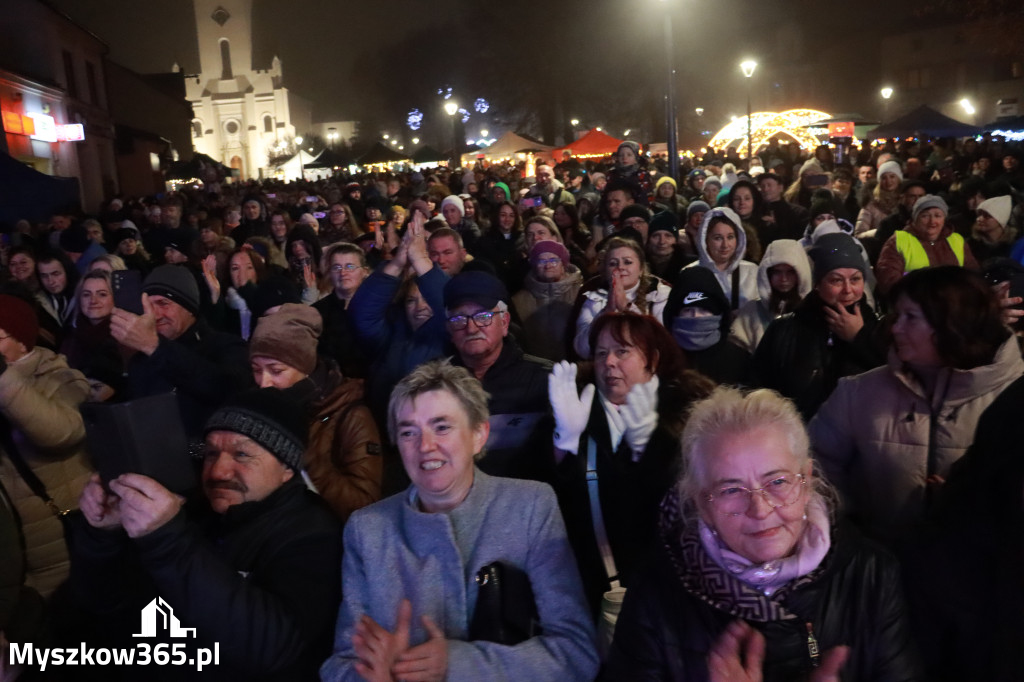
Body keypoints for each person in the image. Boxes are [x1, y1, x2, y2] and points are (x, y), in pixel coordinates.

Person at [606, 386, 921, 681]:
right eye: (731, 489)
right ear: (703, 504)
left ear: (806, 480)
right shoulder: (656, 592)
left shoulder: (871, 574)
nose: (760, 508)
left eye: (778, 482)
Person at [319, 360, 598, 681]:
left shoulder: (530, 506)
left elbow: (576, 653)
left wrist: (461, 664)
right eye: (409, 431)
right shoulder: (368, 528)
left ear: (479, 434)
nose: (425, 446)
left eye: (442, 427)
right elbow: (340, 664)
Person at [70, 388, 342, 681]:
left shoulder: (314, 535)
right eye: (212, 453)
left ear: (287, 467)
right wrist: (103, 537)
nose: (218, 471)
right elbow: (106, 605)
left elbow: (272, 648)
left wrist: (168, 540)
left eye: (242, 454)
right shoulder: (194, 511)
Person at [808, 266, 1023, 546]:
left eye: (910, 317)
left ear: (953, 323)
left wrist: (973, 502)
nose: (895, 327)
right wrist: (849, 531)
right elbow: (816, 465)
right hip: (881, 563)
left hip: (981, 571)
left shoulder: (1014, 395)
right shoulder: (859, 391)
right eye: (897, 316)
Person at [550, 312, 714, 613]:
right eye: (601, 353)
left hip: (670, 583)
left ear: (651, 359)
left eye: (622, 351)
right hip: (596, 581)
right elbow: (556, 507)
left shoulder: (690, 415)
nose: (609, 362)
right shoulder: (574, 411)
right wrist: (565, 443)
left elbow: (694, 505)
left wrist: (649, 450)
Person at [249, 304, 382, 523]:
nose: (264, 382)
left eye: (276, 370)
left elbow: (364, 506)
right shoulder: (258, 404)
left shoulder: (351, 416)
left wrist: (303, 454)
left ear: (305, 366)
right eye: (256, 369)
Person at [0, 294, 91, 598]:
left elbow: (61, 434)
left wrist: (3, 379)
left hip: (62, 550)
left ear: (22, 342)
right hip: (16, 560)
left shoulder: (59, 376)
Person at [753, 233, 885, 420]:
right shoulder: (784, 330)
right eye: (836, 280)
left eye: (855, 279)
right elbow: (759, 390)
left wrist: (860, 338)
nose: (848, 290)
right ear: (817, 284)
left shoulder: (882, 330)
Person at [111, 264, 252, 438]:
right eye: (148, 305)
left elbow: (228, 388)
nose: (154, 315)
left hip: (206, 458)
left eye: (163, 303)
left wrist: (154, 346)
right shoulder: (141, 359)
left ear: (189, 307)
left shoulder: (226, 346)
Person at [445, 270, 554, 482]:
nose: (471, 327)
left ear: (504, 322)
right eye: (459, 319)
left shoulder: (543, 379)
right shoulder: (436, 386)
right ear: (448, 329)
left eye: (483, 317)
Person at [573, 237, 671, 358]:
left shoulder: (660, 295)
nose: (620, 267)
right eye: (613, 263)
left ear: (641, 269)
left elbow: (661, 346)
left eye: (627, 262)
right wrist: (606, 312)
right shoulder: (593, 299)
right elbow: (583, 350)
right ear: (605, 271)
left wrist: (627, 307)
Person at [875, 195, 980, 297]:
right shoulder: (898, 241)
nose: (932, 221)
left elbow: (973, 275)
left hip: (954, 305)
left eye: (938, 216)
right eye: (925, 216)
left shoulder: (957, 240)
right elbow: (888, 281)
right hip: (916, 307)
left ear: (944, 219)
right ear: (915, 219)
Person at [664, 267, 751, 385]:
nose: (695, 316)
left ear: (718, 313)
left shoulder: (739, 359)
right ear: (675, 313)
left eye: (704, 310)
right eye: (688, 310)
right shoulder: (661, 356)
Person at [730, 239, 813, 354]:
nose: (784, 279)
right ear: (767, 274)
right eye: (777, 272)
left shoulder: (813, 312)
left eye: (790, 272)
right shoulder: (752, 311)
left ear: (801, 273)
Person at [511, 240, 583, 362]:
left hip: (574, 368)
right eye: (542, 261)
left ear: (563, 264)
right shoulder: (518, 300)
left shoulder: (581, 294)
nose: (548, 265)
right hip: (535, 370)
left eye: (554, 260)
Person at [60, 270, 125, 402]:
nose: (93, 301)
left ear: (115, 298)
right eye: (86, 295)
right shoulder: (69, 338)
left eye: (102, 294)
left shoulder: (125, 338)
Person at [682, 207, 758, 311]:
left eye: (730, 237)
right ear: (705, 240)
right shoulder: (690, 273)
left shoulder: (752, 271)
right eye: (718, 238)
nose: (725, 245)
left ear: (739, 239)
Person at [313, 243, 371, 379]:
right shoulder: (317, 312)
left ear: (364, 271)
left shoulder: (380, 308)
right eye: (336, 267)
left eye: (350, 267)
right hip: (333, 387)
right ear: (329, 273)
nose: (343, 273)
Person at [854, 160, 902, 236]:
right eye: (884, 178)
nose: (888, 181)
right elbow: (859, 234)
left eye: (892, 176)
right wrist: (879, 232)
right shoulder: (871, 204)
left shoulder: (905, 201)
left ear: (899, 179)